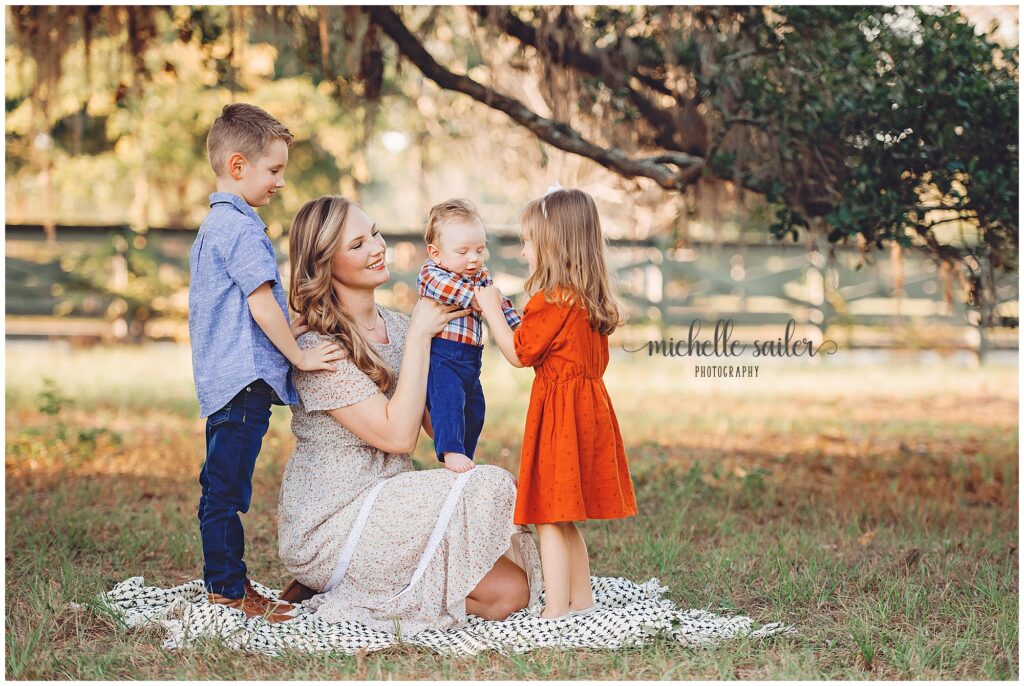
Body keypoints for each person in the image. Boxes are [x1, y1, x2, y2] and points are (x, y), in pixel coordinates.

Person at [277, 195, 540, 635]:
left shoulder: (400, 325)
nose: (377, 247)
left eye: (375, 233)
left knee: (512, 593)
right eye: (357, 244)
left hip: (399, 506)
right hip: (334, 520)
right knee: (489, 483)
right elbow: (399, 437)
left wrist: (458, 361)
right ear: (325, 264)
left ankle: (374, 588)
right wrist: (420, 336)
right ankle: (345, 580)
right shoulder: (317, 348)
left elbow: (437, 428)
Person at [189, 103, 342, 622]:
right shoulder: (240, 227)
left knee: (221, 484)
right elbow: (258, 303)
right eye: (274, 170)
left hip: (227, 379)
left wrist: (296, 325)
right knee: (225, 489)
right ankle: (228, 589)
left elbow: (244, 313)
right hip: (243, 382)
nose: (280, 181)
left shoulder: (216, 225)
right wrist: (299, 355)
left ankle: (226, 582)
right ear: (238, 166)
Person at [476, 186, 638, 619]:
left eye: (528, 242)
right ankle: (581, 600)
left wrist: (492, 309)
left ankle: (556, 608)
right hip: (589, 412)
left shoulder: (552, 300)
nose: (523, 251)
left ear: (552, 246)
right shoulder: (586, 300)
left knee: (549, 514)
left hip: (560, 418)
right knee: (563, 517)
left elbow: (519, 353)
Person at [416, 199, 521, 473]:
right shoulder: (432, 273)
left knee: (475, 410)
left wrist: (518, 327)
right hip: (444, 357)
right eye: (462, 251)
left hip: (472, 359)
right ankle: (451, 451)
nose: (473, 258)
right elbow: (442, 288)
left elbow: (499, 303)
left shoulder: (481, 276)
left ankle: (465, 453)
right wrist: (476, 299)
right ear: (435, 253)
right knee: (448, 402)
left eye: (479, 249)